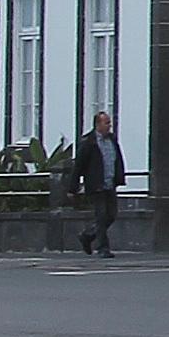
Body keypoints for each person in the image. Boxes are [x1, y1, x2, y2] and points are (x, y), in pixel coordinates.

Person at [68, 111, 123, 258]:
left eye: (109, 123)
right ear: (97, 124)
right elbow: (79, 165)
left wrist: (118, 176)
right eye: (106, 123)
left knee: (111, 215)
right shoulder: (89, 142)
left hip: (109, 183)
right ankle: (103, 248)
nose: (109, 126)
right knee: (101, 215)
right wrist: (73, 187)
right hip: (96, 184)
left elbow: (116, 159)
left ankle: (88, 235)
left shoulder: (112, 140)